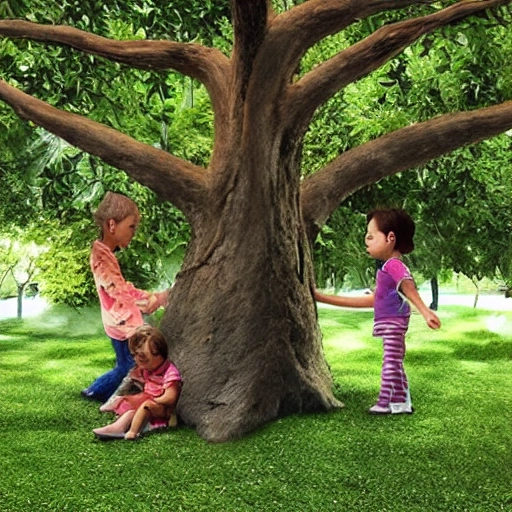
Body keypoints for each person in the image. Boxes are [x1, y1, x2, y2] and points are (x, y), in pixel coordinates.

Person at [314, 208, 441, 415]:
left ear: (390, 238)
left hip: (394, 321)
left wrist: (426, 312)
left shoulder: (394, 265)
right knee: (395, 362)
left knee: (390, 362)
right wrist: (322, 297)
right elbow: (372, 301)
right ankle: (400, 403)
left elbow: (408, 287)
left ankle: (384, 402)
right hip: (391, 321)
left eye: (371, 236)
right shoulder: (386, 269)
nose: (366, 240)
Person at [82, 192, 169, 403]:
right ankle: (99, 392)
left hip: (120, 322)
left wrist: (150, 298)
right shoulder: (102, 257)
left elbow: (121, 289)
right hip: (122, 325)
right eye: (131, 226)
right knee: (129, 365)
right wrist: (150, 299)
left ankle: (96, 391)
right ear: (112, 225)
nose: (133, 232)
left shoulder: (105, 254)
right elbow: (118, 291)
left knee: (126, 364)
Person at [93, 325, 182, 440]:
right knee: (130, 410)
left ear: (158, 354)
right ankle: (116, 428)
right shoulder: (149, 370)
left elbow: (170, 397)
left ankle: (133, 432)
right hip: (149, 402)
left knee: (145, 405)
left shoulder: (170, 373)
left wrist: (152, 400)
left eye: (145, 359)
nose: (141, 364)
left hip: (162, 409)